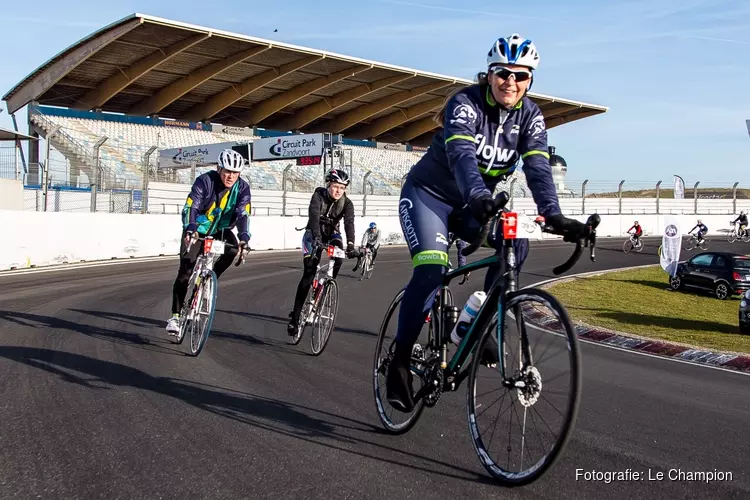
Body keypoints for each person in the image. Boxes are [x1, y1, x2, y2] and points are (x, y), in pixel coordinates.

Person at [386, 33, 589, 412]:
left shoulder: (531, 115)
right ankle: (398, 363)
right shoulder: (464, 103)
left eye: (521, 76)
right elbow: (462, 155)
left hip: (476, 204)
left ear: (530, 80)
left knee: (517, 245)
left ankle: (480, 324)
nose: (511, 82)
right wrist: (480, 197)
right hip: (430, 196)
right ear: (489, 74)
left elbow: (539, 168)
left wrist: (555, 214)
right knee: (431, 271)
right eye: (504, 74)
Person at [166, 149, 250, 334]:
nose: (231, 176)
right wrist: (191, 227)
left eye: (235, 173)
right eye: (227, 171)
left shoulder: (243, 188)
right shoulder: (205, 181)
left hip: (221, 230)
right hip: (198, 229)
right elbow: (192, 206)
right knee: (185, 271)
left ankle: (209, 281)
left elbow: (243, 213)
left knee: (233, 249)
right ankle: (175, 316)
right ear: (219, 168)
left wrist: (244, 237)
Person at [287, 168, 358, 334]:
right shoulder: (318, 195)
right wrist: (317, 238)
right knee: (310, 271)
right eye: (335, 186)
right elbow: (313, 215)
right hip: (313, 233)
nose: (338, 190)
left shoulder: (347, 203)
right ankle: (295, 318)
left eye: (342, 187)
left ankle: (324, 288)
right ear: (328, 185)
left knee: (339, 256)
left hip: (332, 233)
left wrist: (351, 244)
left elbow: (349, 223)